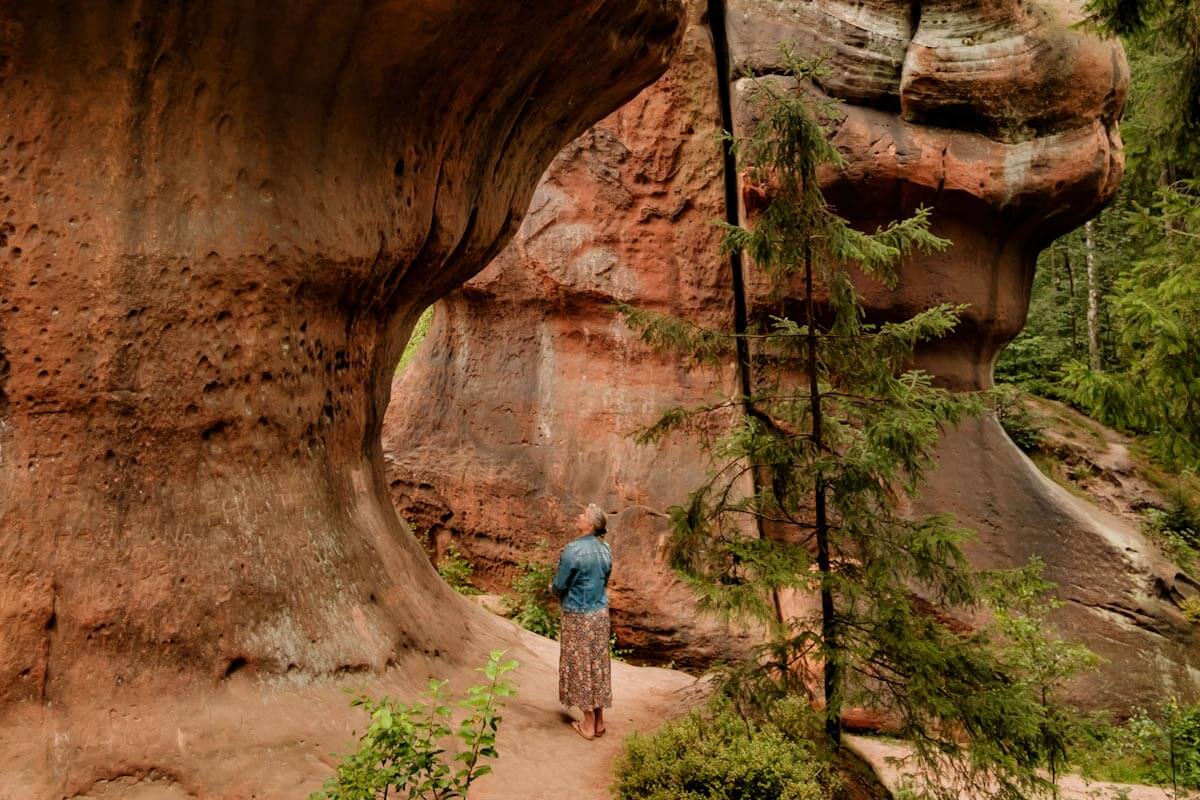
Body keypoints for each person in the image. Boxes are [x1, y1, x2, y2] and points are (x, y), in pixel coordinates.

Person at [551, 503, 613, 740]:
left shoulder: (573, 550)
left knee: (580, 665)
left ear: (589, 524)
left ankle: (587, 724)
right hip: (599, 613)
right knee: (597, 663)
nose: (578, 516)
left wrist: (556, 592)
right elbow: (605, 578)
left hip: (578, 614)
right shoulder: (605, 549)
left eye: (582, 515)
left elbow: (560, 584)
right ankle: (599, 721)